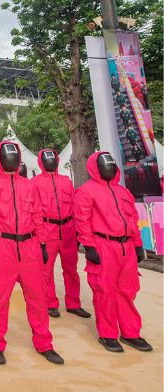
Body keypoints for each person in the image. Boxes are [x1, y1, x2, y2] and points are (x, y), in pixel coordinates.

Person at [0, 141, 63, 365]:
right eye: (7, 156)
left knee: (38, 298)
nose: (12, 160)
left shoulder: (30, 185)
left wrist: (42, 244)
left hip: (30, 247)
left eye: (15, 156)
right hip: (1, 247)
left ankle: (44, 343)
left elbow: (37, 216)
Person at [74, 151, 153, 353]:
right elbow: (82, 220)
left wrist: (137, 244)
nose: (109, 167)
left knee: (127, 291)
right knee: (104, 291)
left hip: (126, 246)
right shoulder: (86, 191)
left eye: (111, 164)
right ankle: (108, 334)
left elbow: (133, 221)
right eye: (104, 165)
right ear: (96, 168)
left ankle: (130, 333)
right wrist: (89, 246)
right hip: (103, 245)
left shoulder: (123, 192)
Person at [33, 148, 89, 319]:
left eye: (53, 159)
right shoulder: (34, 183)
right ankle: (50, 303)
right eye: (47, 159)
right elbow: (33, 210)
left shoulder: (66, 181)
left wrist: (78, 232)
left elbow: (75, 206)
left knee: (71, 269)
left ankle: (73, 303)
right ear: (41, 162)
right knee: (45, 269)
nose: (51, 162)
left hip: (68, 229)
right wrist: (39, 235)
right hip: (46, 228)